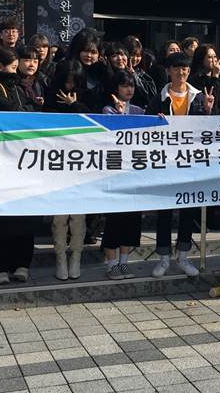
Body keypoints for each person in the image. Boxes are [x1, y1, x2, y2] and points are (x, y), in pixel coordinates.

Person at [146, 52, 214, 277]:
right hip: (166, 164)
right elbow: (146, 128)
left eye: (184, 68)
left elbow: (209, 130)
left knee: (188, 210)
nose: (180, 72)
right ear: (168, 71)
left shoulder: (199, 97)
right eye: (176, 68)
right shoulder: (159, 97)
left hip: (191, 164)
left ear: (189, 71)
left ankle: (183, 257)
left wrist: (209, 111)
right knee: (165, 211)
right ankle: (163, 259)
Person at [0, 47, 37, 283]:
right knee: (4, 217)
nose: (17, 71)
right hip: (3, 157)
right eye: (13, 67)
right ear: (0, 66)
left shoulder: (19, 87)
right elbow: (11, 111)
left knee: (25, 214)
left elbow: (31, 109)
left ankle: (22, 263)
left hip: (22, 155)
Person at [96, 71, 145, 281]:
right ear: (116, 88)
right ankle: (111, 264)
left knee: (131, 221)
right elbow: (111, 134)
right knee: (114, 221)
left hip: (134, 174)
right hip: (115, 174)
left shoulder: (139, 110)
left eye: (131, 85)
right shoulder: (108, 109)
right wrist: (120, 114)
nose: (129, 89)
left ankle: (124, 263)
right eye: (124, 85)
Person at [189, 44, 220, 114]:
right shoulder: (196, 79)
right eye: (209, 57)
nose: (214, 60)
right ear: (201, 59)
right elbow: (213, 97)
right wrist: (215, 76)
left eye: (215, 57)